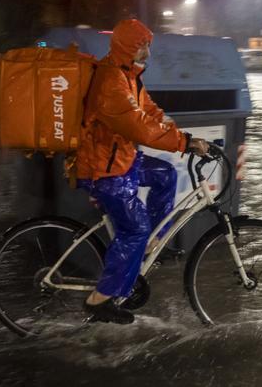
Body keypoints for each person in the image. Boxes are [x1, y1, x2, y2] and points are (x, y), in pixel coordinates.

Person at [75, 19, 208, 324]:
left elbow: (149, 111)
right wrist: (183, 143)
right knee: (134, 229)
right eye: (141, 46)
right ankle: (100, 300)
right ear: (126, 47)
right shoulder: (111, 82)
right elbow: (139, 127)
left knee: (165, 175)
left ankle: (152, 242)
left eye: (148, 44)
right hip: (105, 171)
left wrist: (176, 130)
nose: (147, 51)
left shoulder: (128, 75)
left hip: (122, 160)